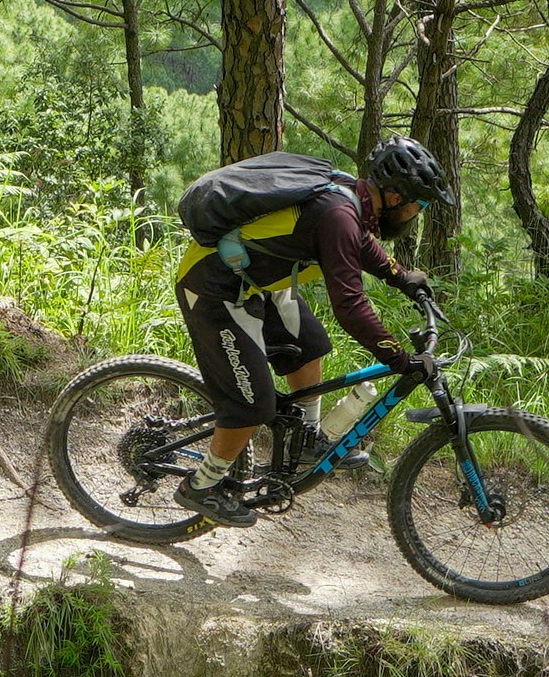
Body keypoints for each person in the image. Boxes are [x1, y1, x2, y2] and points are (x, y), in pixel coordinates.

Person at [172, 135, 456, 518]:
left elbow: (358, 243)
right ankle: (201, 485)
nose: (416, 214)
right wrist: (399, 357)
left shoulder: (347, 200)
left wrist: (402, 277)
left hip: (256, 282)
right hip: (214, 287)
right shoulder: (338, 213)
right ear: (394, 197)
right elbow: (350, 306)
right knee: (252, 404)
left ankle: (307, 440)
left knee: (310, 345)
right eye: (418, 204)